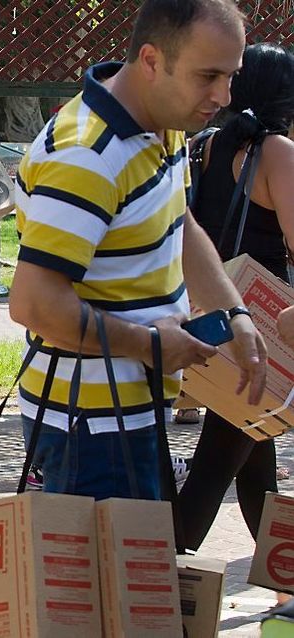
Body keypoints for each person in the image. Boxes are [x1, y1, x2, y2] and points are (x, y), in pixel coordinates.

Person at [9, 0, 267, 502]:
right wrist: (150, 346)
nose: (223, 96)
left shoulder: (161, 118)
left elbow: (180, 221)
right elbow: (33, 304)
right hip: (87, 428)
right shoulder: (88, 155)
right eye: (208, 76)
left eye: (230, 76)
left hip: (128, 411)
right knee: (101, 581)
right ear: (150, 60)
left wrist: (232, 311)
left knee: (131, 578)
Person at [177, 43, 294, 552]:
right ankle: (149, 584)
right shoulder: (276, 153)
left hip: (212, 316)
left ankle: (285, 579)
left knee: (254, 462)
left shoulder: (205, 144)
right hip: (262, 328)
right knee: (212, 472)